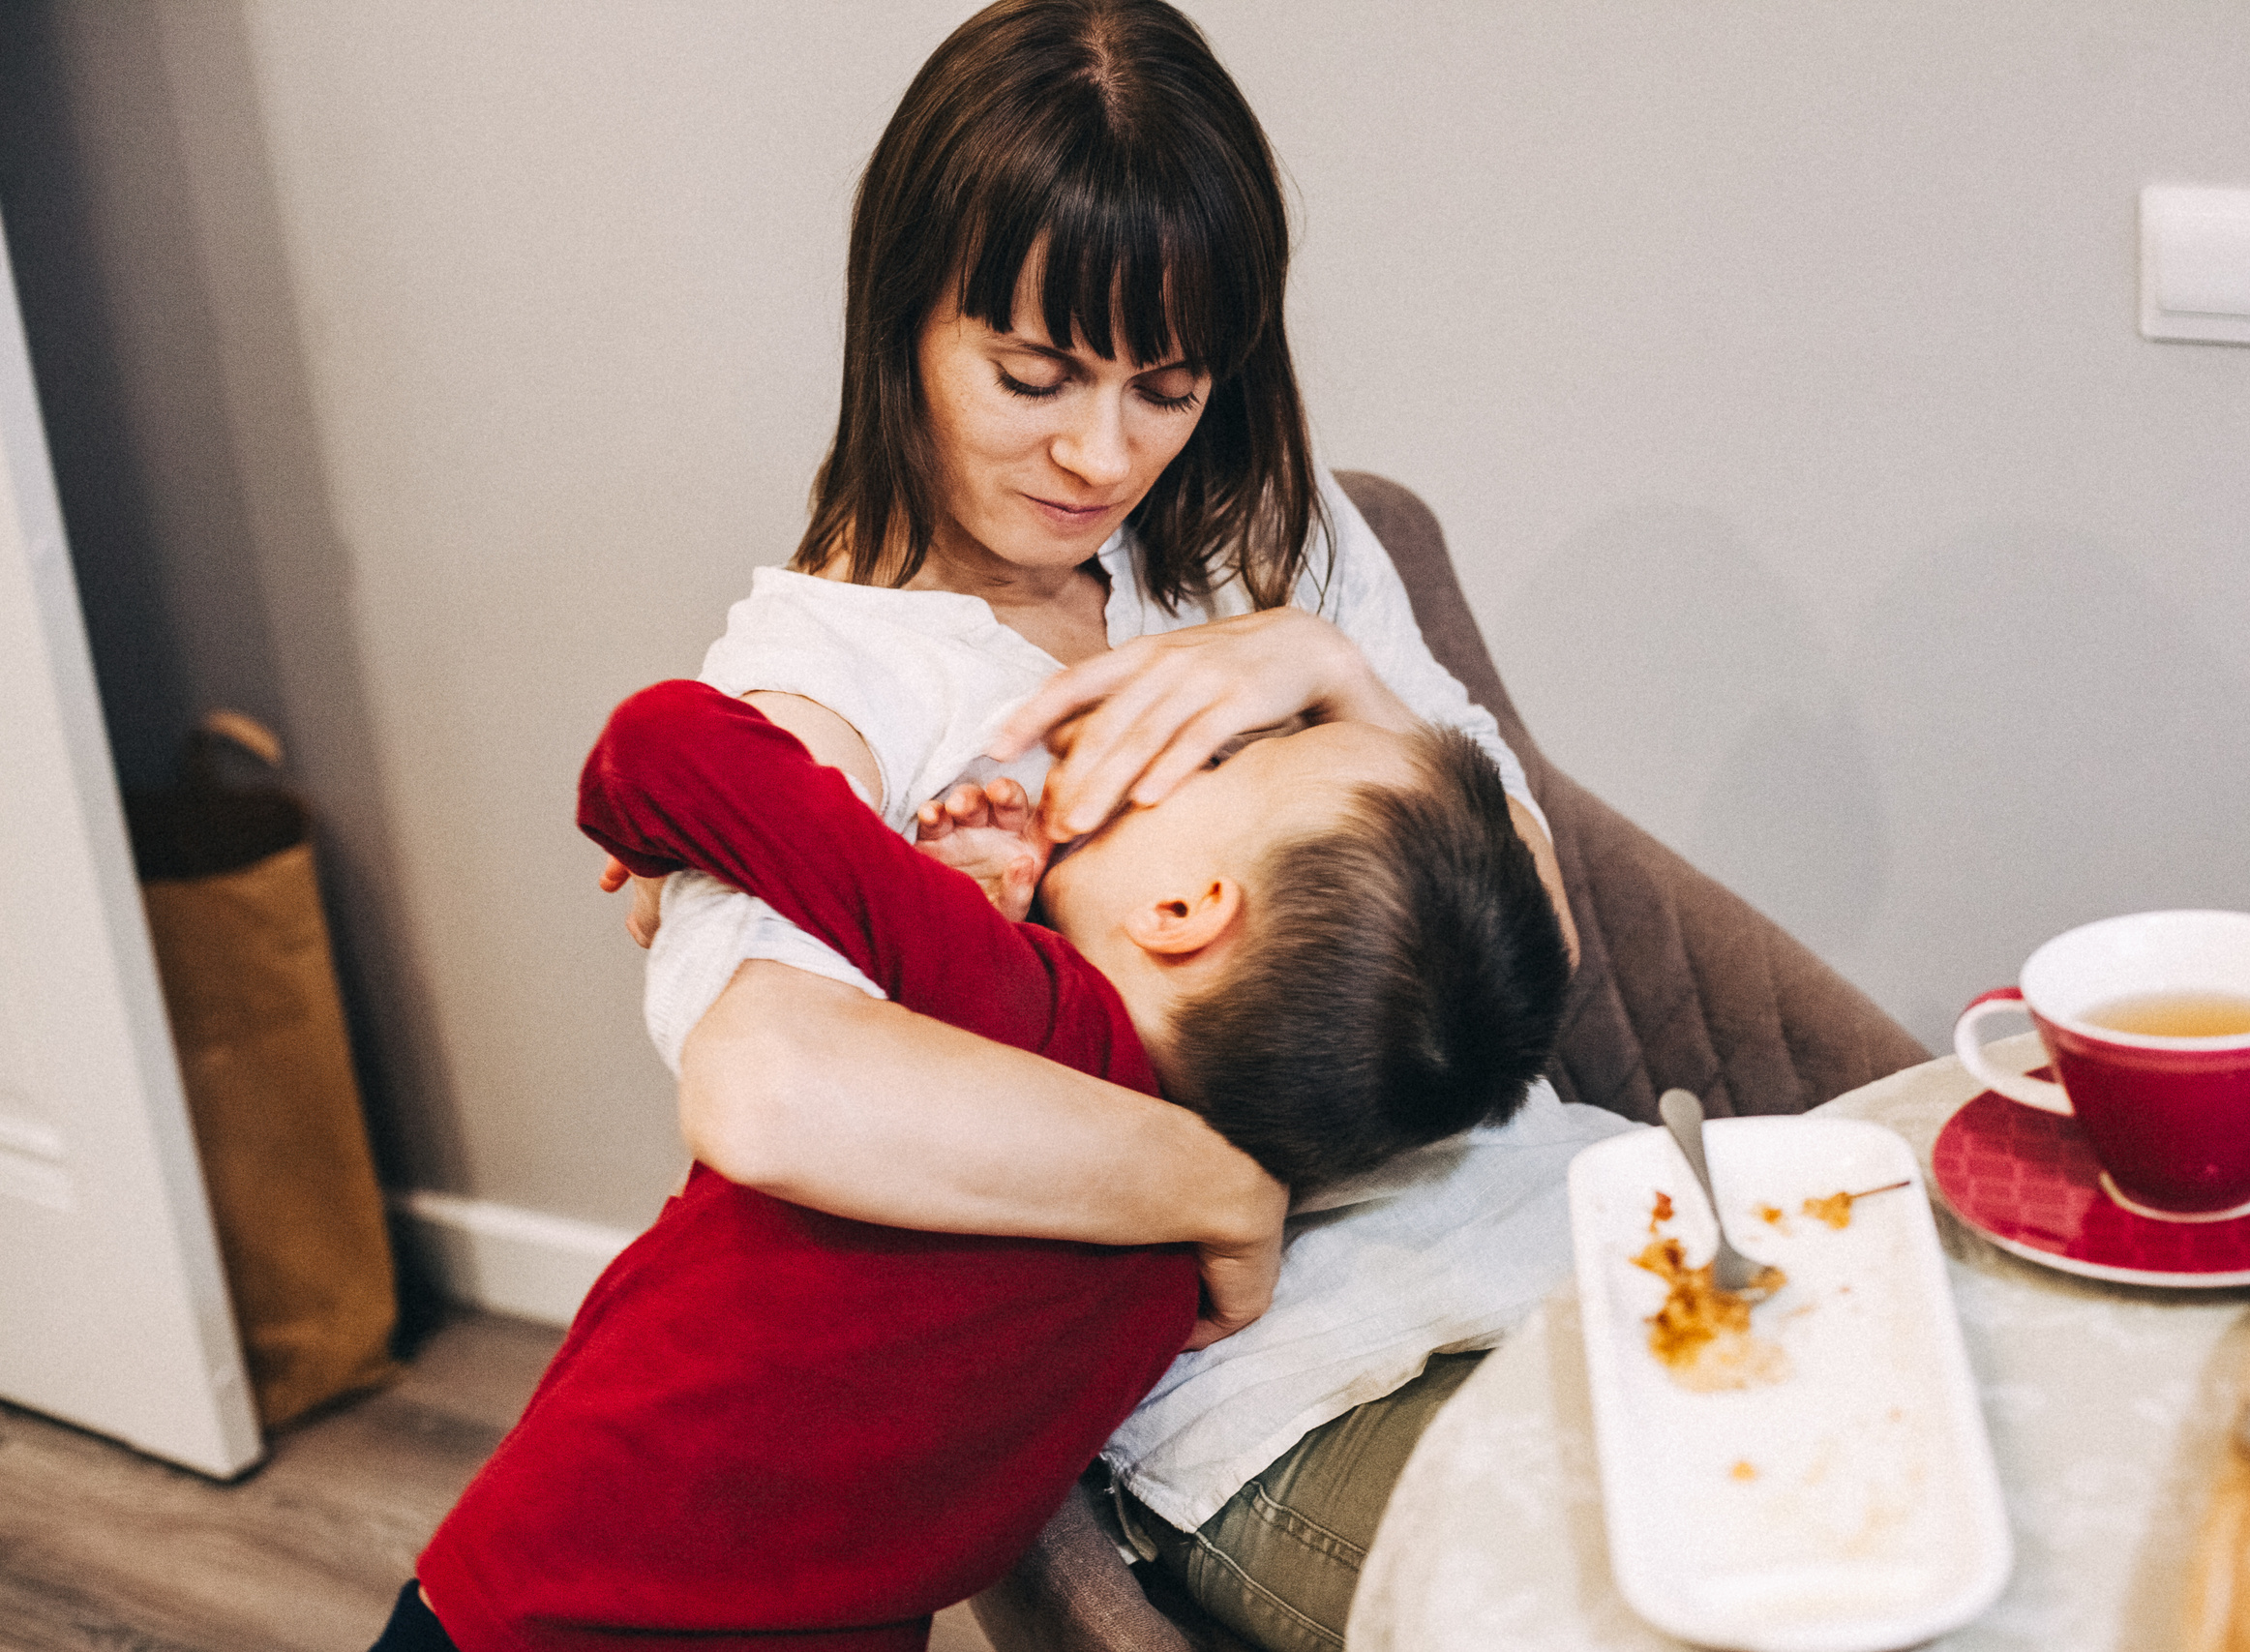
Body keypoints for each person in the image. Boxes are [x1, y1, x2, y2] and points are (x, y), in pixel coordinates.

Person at [598, 2, 1634, 1646]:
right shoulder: (824, 688)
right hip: (1287, 1386)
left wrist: (1330, 668)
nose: (1100, 455)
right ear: (902, 323)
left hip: (1577, 1220)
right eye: (1030, 375)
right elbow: (767, 1082)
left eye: (1166, 383)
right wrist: (1222, 1187)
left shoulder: (1258, 526)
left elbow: (1545, 935)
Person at [381, 677, 1567, 1652]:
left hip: (549, 1599)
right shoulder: (1183, 1269)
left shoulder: (1031, 1016)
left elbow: (661, 740)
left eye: (1211, 773)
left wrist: (670, 844)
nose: (1170, 770)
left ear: (1186, 908)